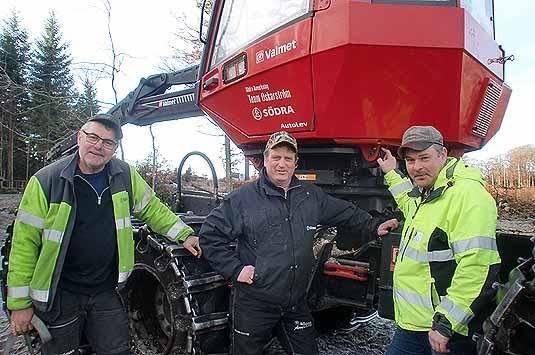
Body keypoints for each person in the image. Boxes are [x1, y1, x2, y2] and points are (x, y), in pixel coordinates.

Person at [7, 114, 202, 354]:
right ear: (80, 138)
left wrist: (185, 234)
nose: (99, 146)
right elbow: (24, 245)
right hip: (61, 294)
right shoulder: (46, 181)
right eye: (93, 137)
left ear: (115, 149)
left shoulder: (124, 176)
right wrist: (20, 305)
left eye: (108, 142)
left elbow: (152, 209)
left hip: (105, 291)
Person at [200, 131, 398, 355]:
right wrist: (235, 270)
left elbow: (345, 213)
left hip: (295, 303)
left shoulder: (310, 196)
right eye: (276, 157)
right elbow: (210, 236)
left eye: (287, 158)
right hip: (254, 304)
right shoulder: (242, 200)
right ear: (265, 160)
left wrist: (373, 226)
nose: (281, 164)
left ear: (296, 163)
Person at [377, 126, 501, 355]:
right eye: (410, 160)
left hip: (444, 331)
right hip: (414, 325)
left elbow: (478, 266)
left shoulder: (467, 196)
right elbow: (409, 203)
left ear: (443, 154)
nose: (416, 167)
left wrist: (446, 323)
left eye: (424, 158)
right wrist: (391, 173)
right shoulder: (429, 191)